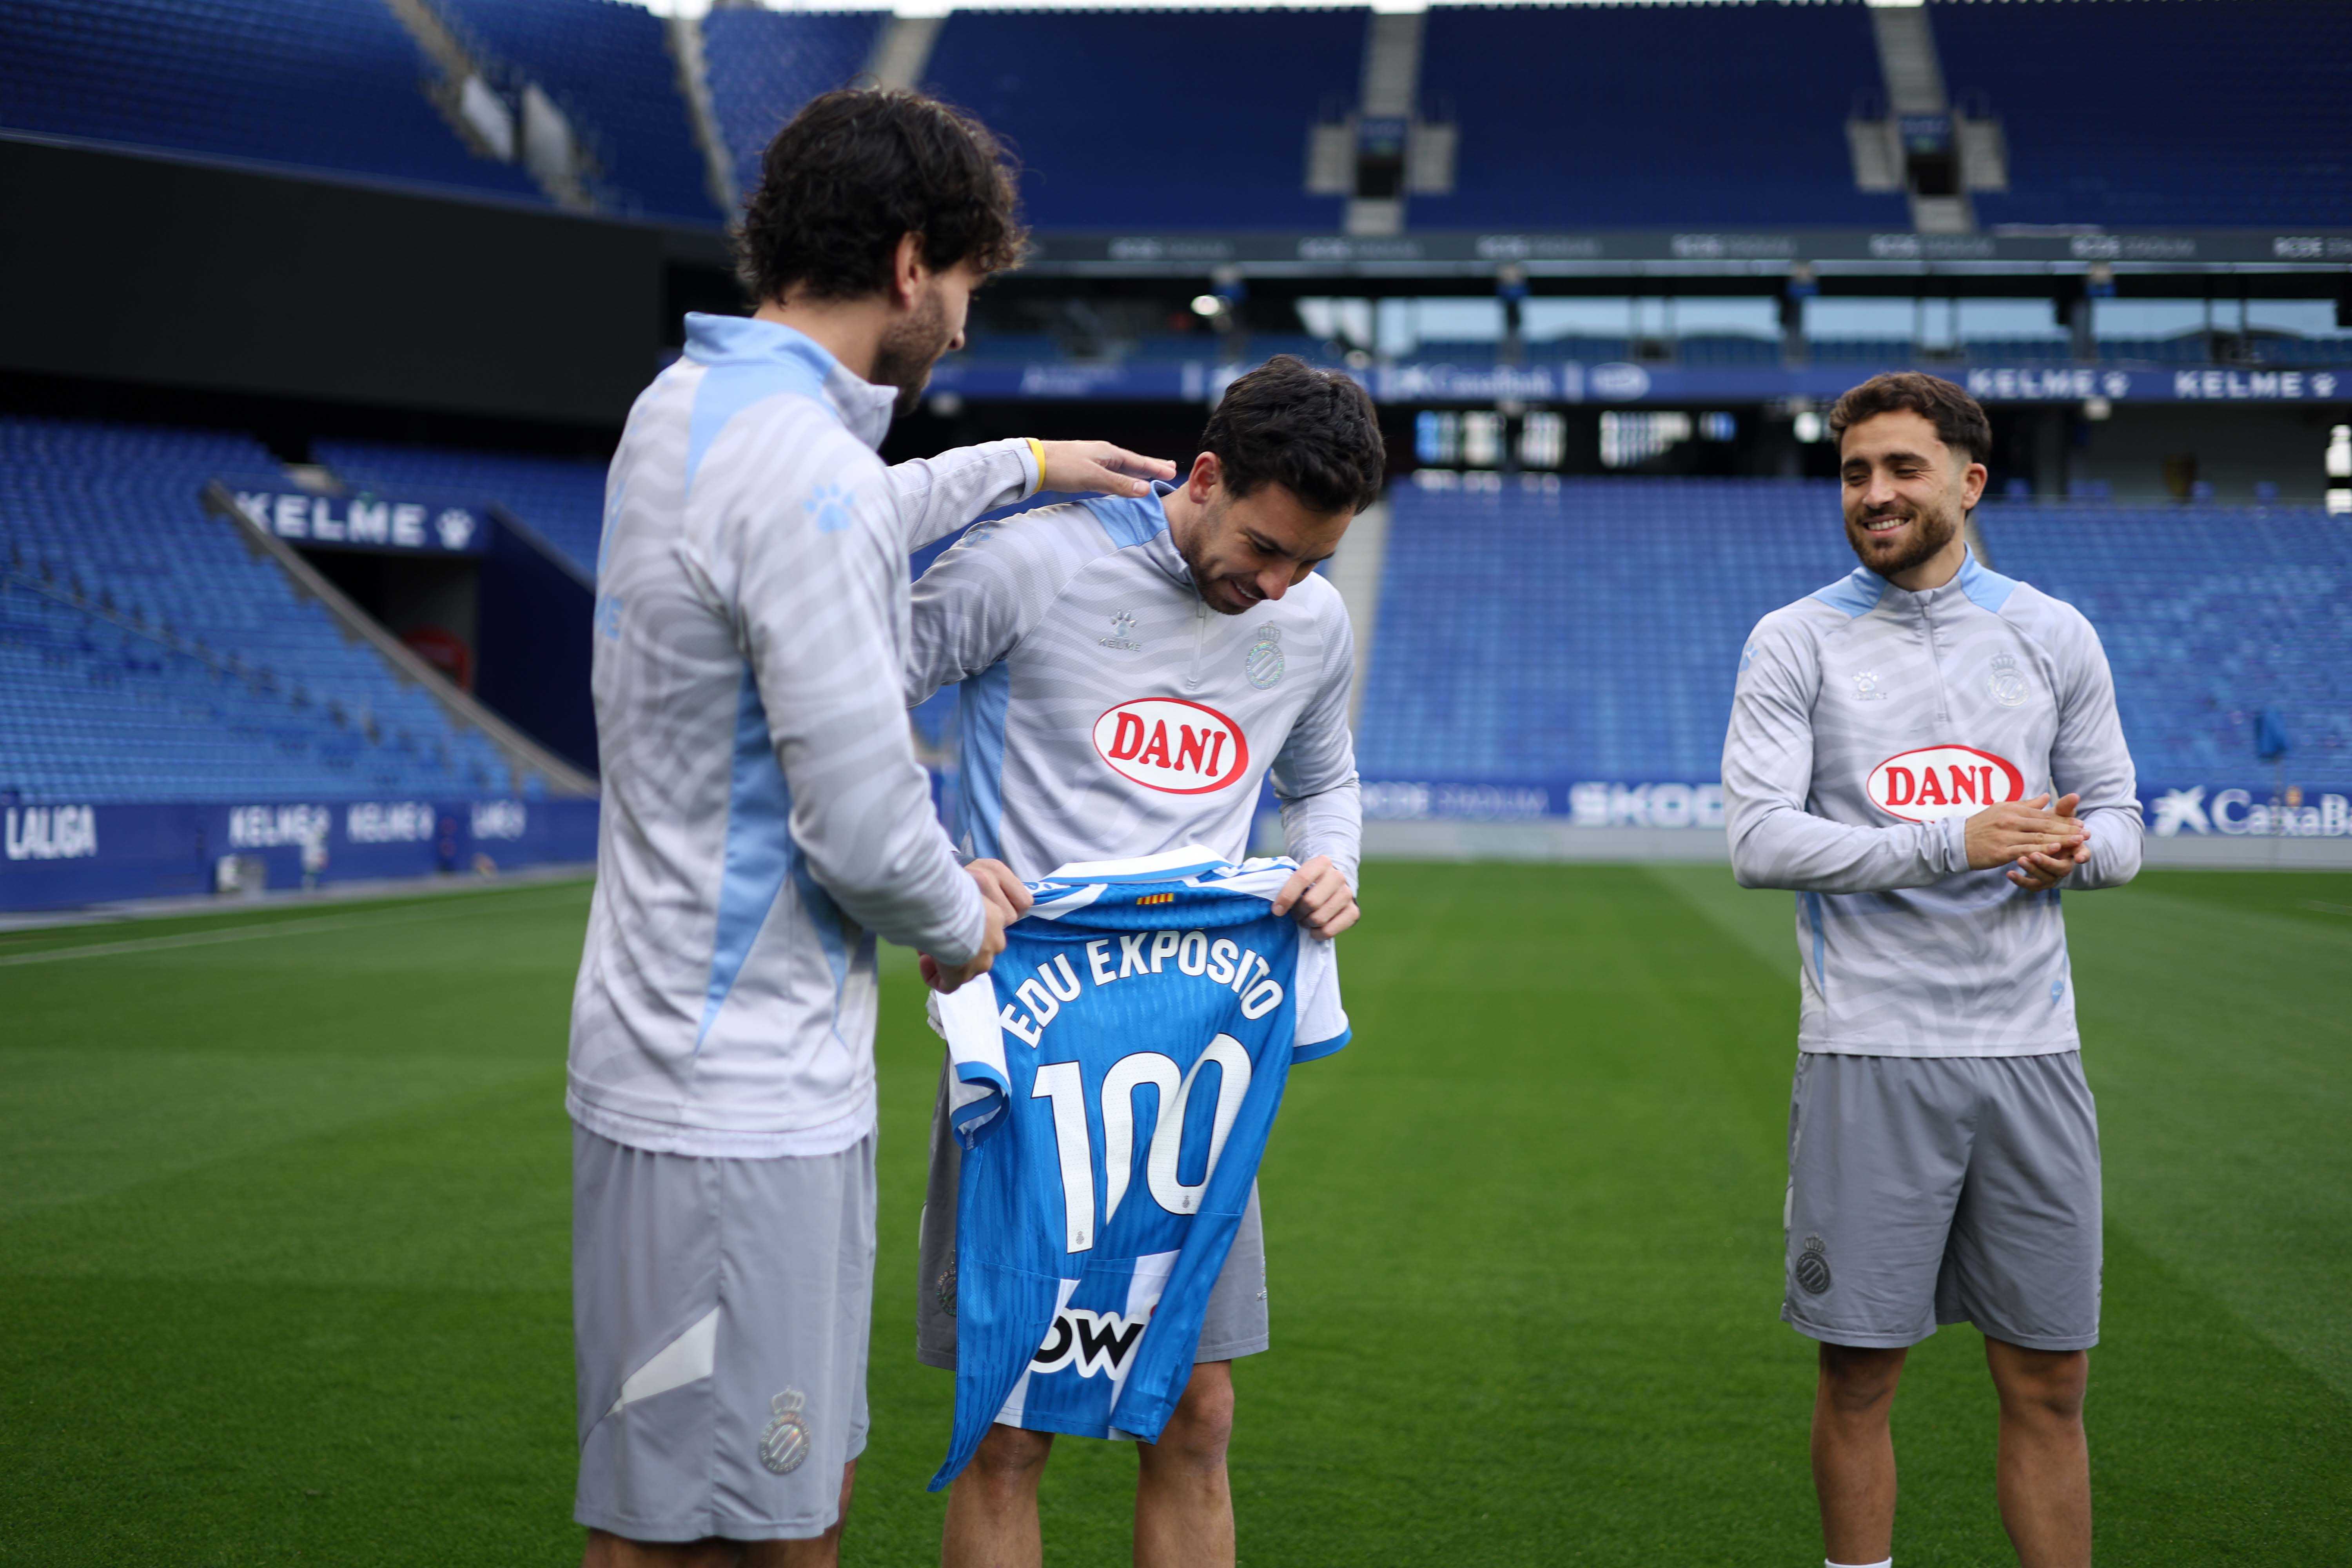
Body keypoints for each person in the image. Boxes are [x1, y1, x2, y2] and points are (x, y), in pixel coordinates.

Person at [566, 87, 1171, 1568]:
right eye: (964, 284)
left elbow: (847, 520)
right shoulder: (810, 476)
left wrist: (1022, 462)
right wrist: (966, 916)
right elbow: (861, 827)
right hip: (739, 1097)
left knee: (759, 1504)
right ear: (910, 265)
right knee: (732, 1534)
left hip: (699, 1064)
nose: (962, 325)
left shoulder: (691, 408)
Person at [904, 354, 1386, 1568]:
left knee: (1197, 1414)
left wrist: (1331, 864)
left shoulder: (1310, 623)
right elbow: (842, 704)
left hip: (1197, 1068)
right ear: (1205, 477)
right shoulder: (1033, 565)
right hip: (1030, 1052)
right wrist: (936, 870)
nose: (1278, 588)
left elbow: (1324, 782)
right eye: (1266, 548)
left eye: (1311, 563)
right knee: (1014, 1428)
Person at [1722, 372, 2143, 1568]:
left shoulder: (2053, 634)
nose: (1875, 493)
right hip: (1871, 1049)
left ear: (1971, 481)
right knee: (1860, 1374)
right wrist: (1956, 842)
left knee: (2051, 1380)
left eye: (1903, 469)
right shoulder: (1796, 639)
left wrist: (2071, 855)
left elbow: (2121, 824)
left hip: (2032, 1055)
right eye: (1855, 472)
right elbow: (1760, 843)